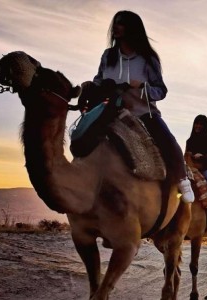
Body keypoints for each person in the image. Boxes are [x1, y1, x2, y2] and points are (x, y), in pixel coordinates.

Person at [83, 10, 194, 203]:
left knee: (167, 140)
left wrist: (142, 87)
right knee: (84, 135)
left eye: (122, 23)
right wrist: (91, 87)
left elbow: (161, 90)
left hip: (142, 112)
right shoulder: (108, 56)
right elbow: (98, 80)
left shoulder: (148, 58)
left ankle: (183, 180)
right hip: (110, 111)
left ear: (132, 28)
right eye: (115, 23)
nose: (116, 27)